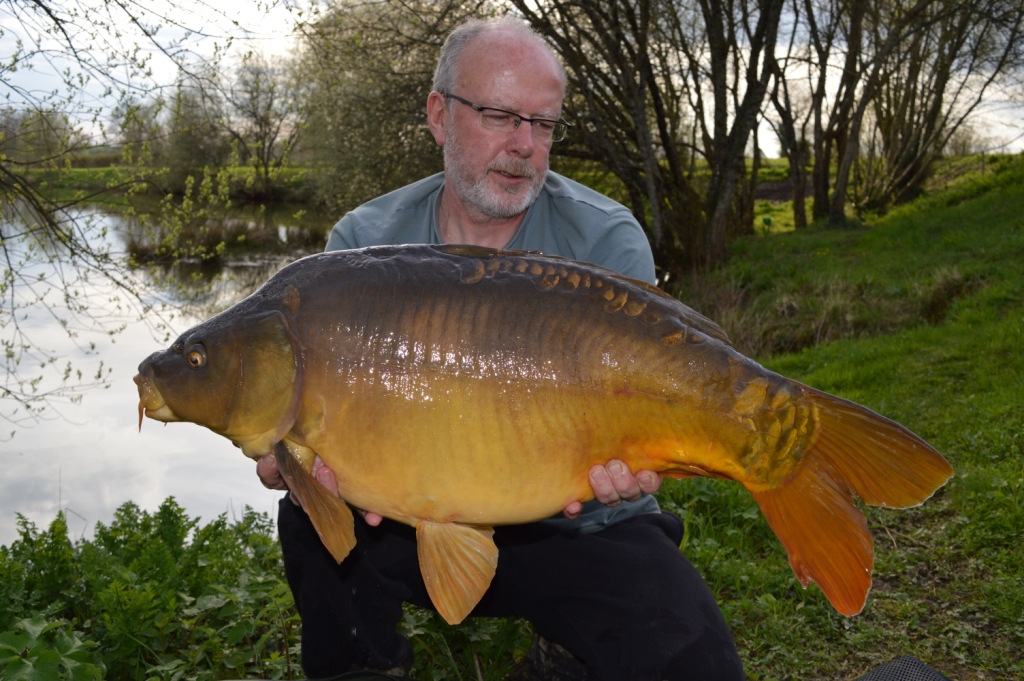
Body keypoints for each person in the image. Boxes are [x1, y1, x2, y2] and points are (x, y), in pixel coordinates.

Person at [256, 17, 745, 681]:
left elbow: (651, 401)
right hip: (401, 521)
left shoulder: (604, 239)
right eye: (500, 116)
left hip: (577, 526)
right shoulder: (362, 246)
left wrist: (635, 458)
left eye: (543, 125)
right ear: (439, 116)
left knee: (696, 658)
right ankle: (365, 666)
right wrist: (300, 463)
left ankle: (568, 653)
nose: (524, 146)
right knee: (308, 523)